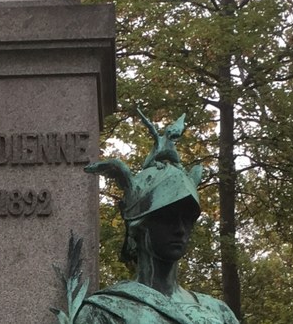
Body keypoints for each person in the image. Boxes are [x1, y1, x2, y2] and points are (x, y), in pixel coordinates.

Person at [74, 117, 240, 324]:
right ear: (139, 225)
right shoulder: (102, 313)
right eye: (167, 217)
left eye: (187, 219)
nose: (180, 229)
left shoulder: (218, 312)